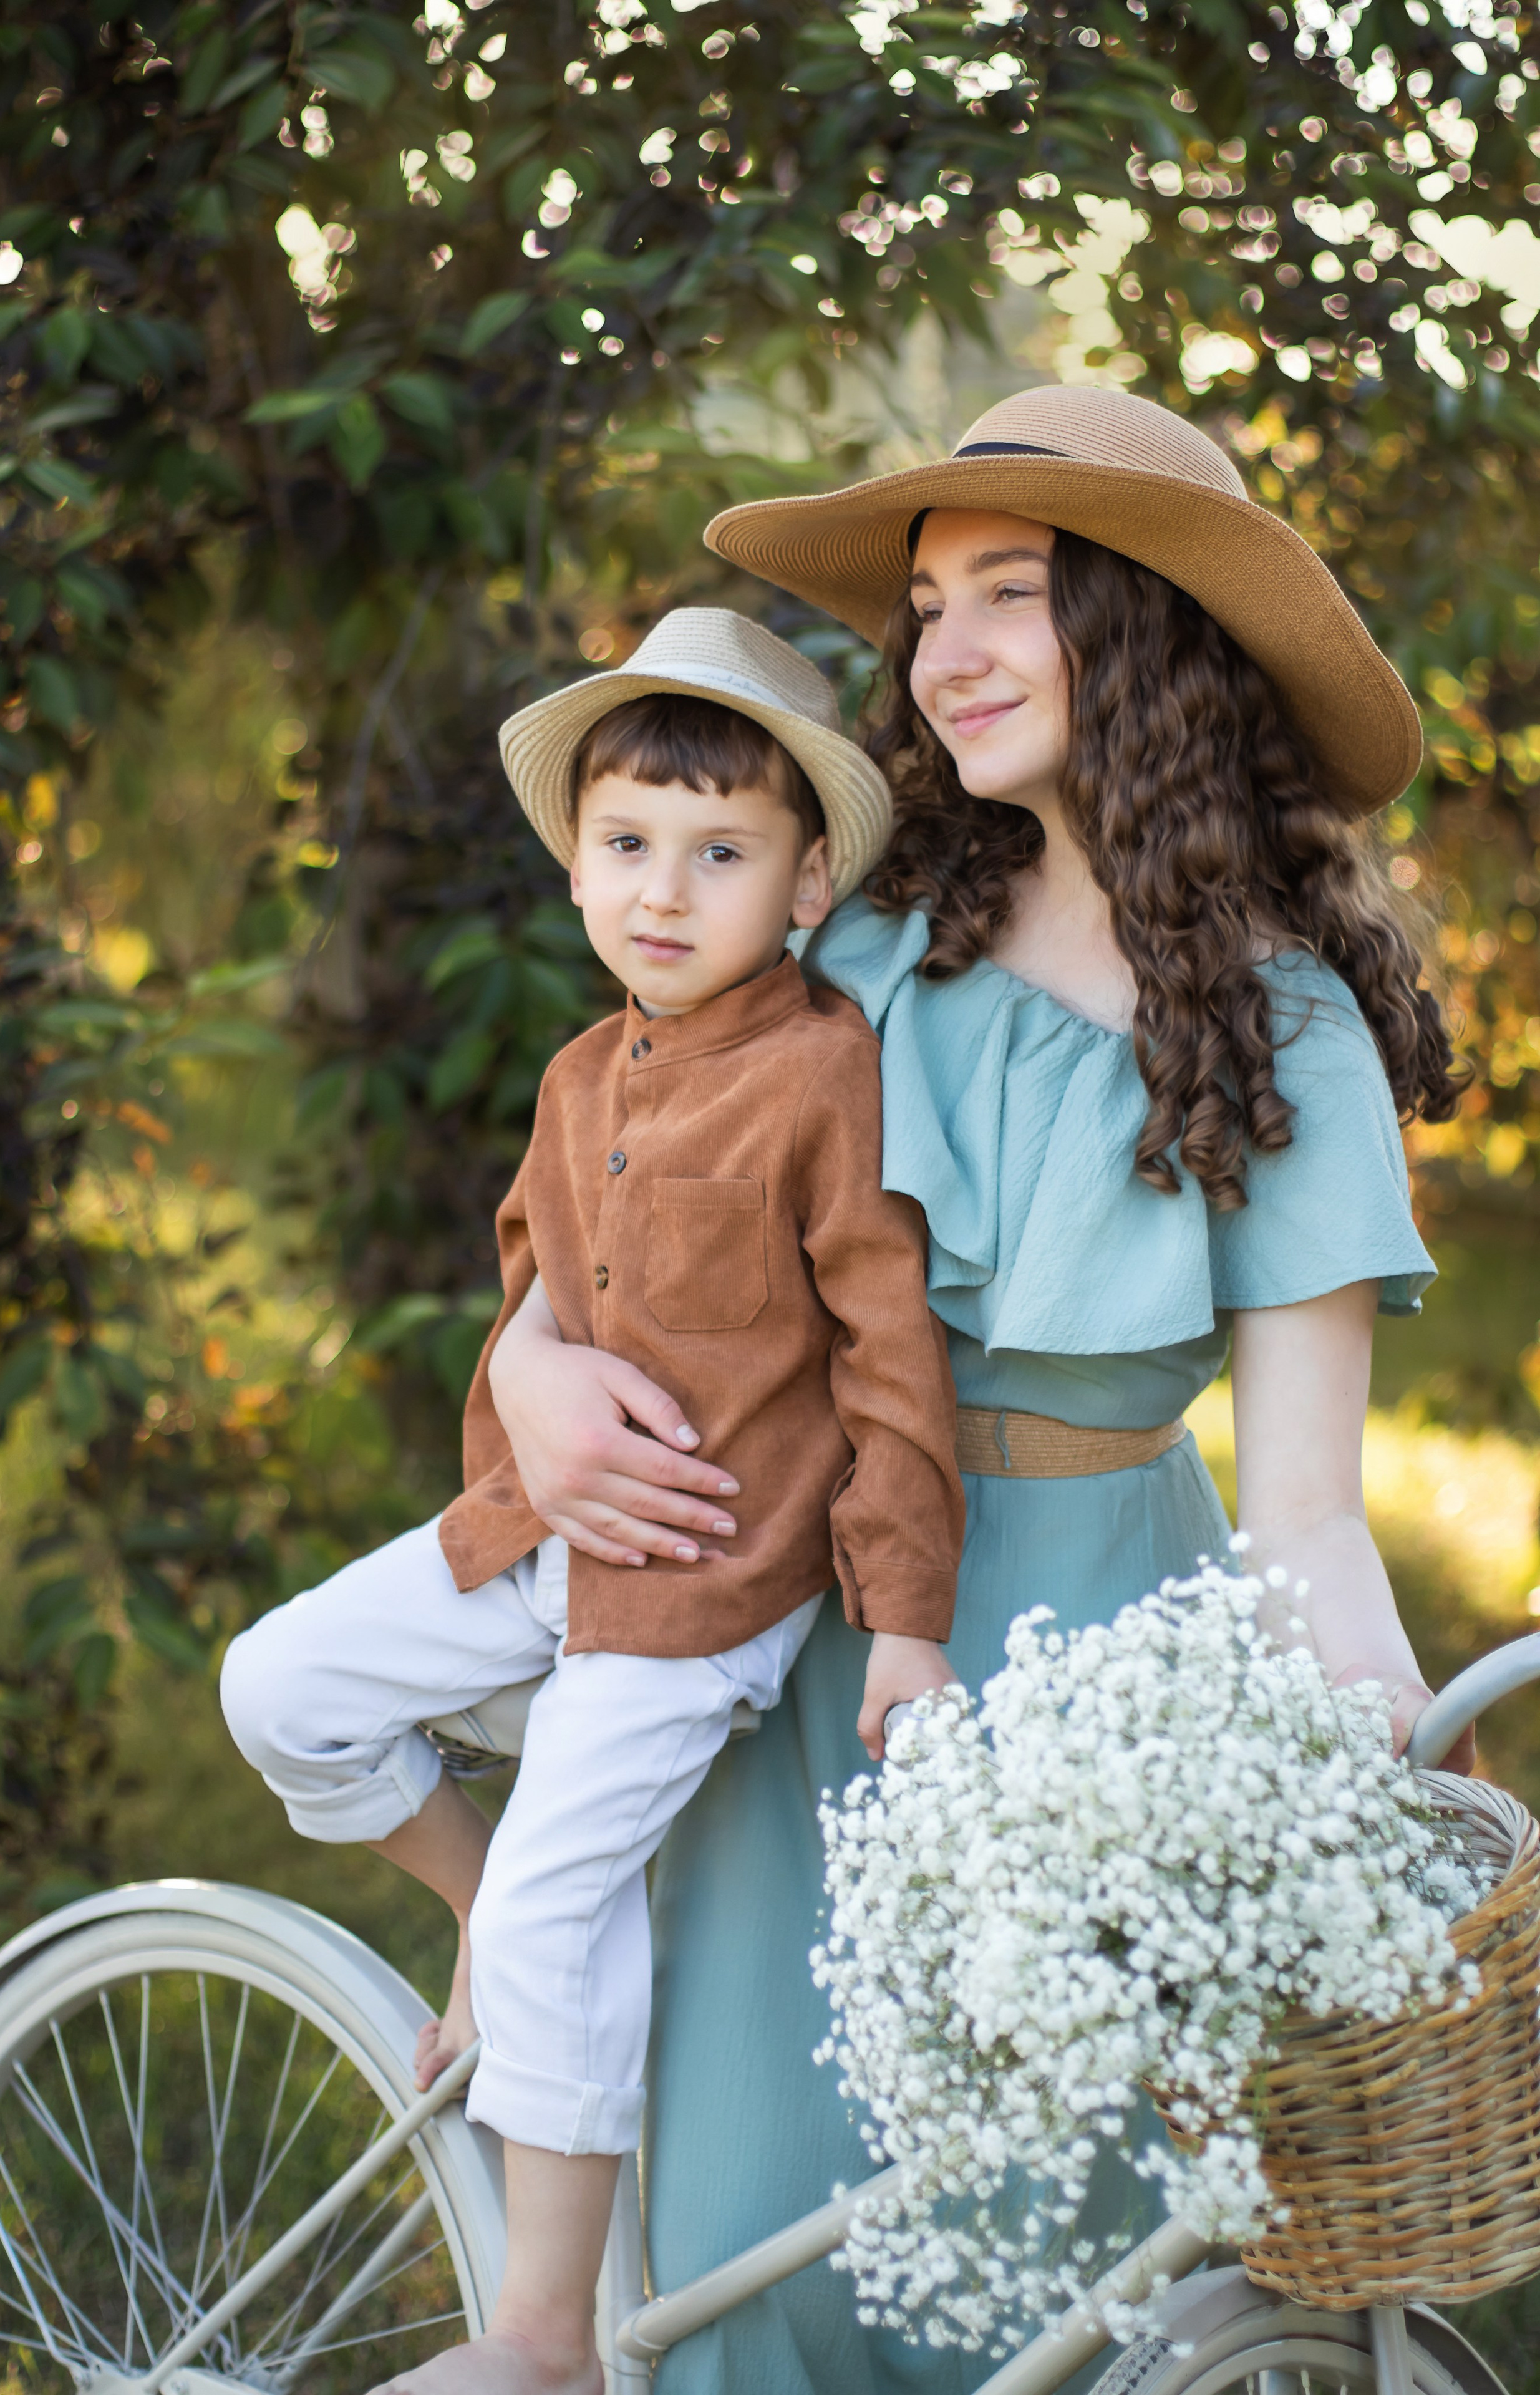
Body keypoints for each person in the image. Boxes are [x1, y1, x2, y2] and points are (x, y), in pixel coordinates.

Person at [479, 386, 1469, 2395]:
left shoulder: (1281, 1029)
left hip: (1111, 1684)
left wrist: (1397, 1758)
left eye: (1010, 592)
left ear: (1148, 630)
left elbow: (1306, 1513)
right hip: (811, 1617)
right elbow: (614, 1202)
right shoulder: (856, 943)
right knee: (765, 2239)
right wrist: (533, 1371)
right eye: (928, 607)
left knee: (1075, 2271)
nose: (947, 651)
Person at [219, 607, 964, 2395]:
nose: (663, 891)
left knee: (569, 1904)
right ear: (574, 864)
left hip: (701, 1590)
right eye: (627, 844)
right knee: (280, 1687)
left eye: (720, 855)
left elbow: (890, 1359)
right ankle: (475, 1909)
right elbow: (540, 1290)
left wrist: (907, 1621)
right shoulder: (577, 1078)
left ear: (804, 886)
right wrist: (526, 1389)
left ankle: (546, 2338)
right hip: (540, 1536)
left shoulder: (825, 1077)